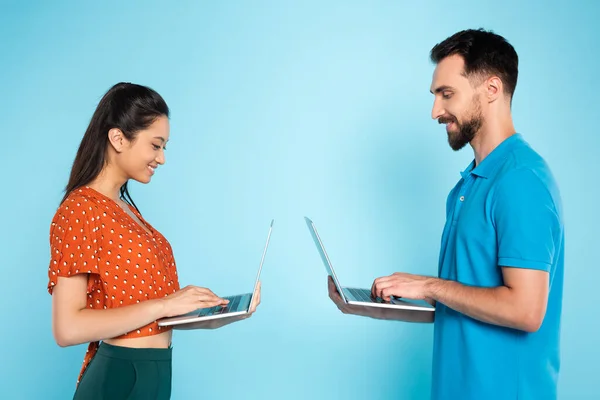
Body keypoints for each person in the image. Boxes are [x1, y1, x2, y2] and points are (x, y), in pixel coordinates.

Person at [329, 29, 564, 399]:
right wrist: (379, 306)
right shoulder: (467, 186)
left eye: (446, 94)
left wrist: (428, 285)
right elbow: (470, 300)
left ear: (491, 90)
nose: (435, 111)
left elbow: (526, 309)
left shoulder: (521, 180)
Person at [47, 82, 261, 400]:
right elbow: (68, 328)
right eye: (155, 145)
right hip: (120, 376)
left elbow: (148, 317)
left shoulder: (127, 210)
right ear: (118, 138)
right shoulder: (81, 209)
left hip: (156, 370)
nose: (161, 159)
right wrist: (166, 304)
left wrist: (211, 314)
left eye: (164, 147)